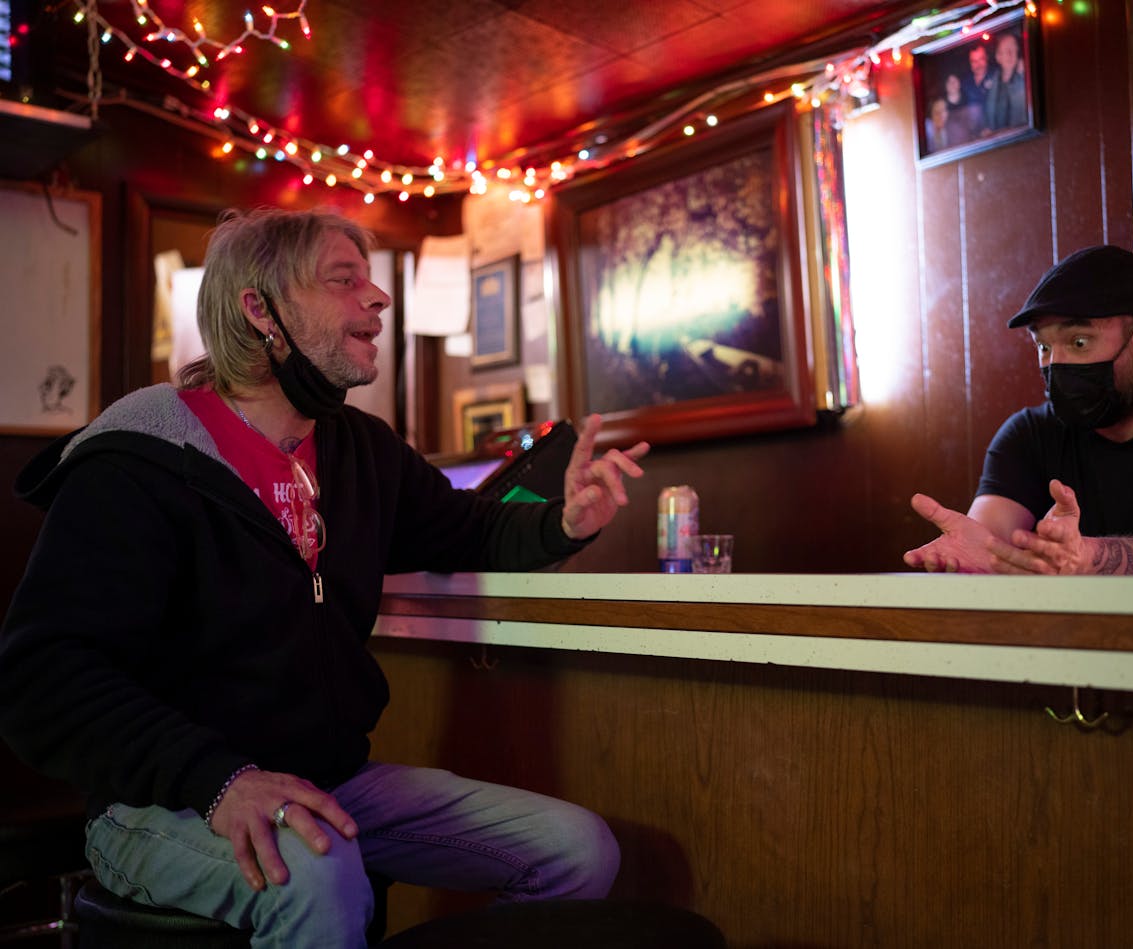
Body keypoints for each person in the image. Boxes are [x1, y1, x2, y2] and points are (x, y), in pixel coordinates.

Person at [0, 207, 650, 947]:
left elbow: (470, 529)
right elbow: (41, 679)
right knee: (319, 870)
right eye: (345, 280)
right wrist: (218, 779)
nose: (376, 299)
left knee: (577, 850)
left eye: (370, 281)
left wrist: (563, 521)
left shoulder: (359, 450)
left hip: (329, 783)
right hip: (162, 800)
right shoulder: (139, 459)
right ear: (260, 309)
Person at [903, 245, 1133, 575]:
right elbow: (990, 543)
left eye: (1079, 341)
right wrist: (978, 558)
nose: (1057, 363)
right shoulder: (1028, 437)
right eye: (1044, 347)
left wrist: (1088, 556)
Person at [983, 31, 1027, 131]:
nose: (1010, 54)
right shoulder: (991, 85)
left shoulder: (1025, 79)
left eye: (1013, 49)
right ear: (998, 57)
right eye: (1006, 50)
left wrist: (1021, 76)